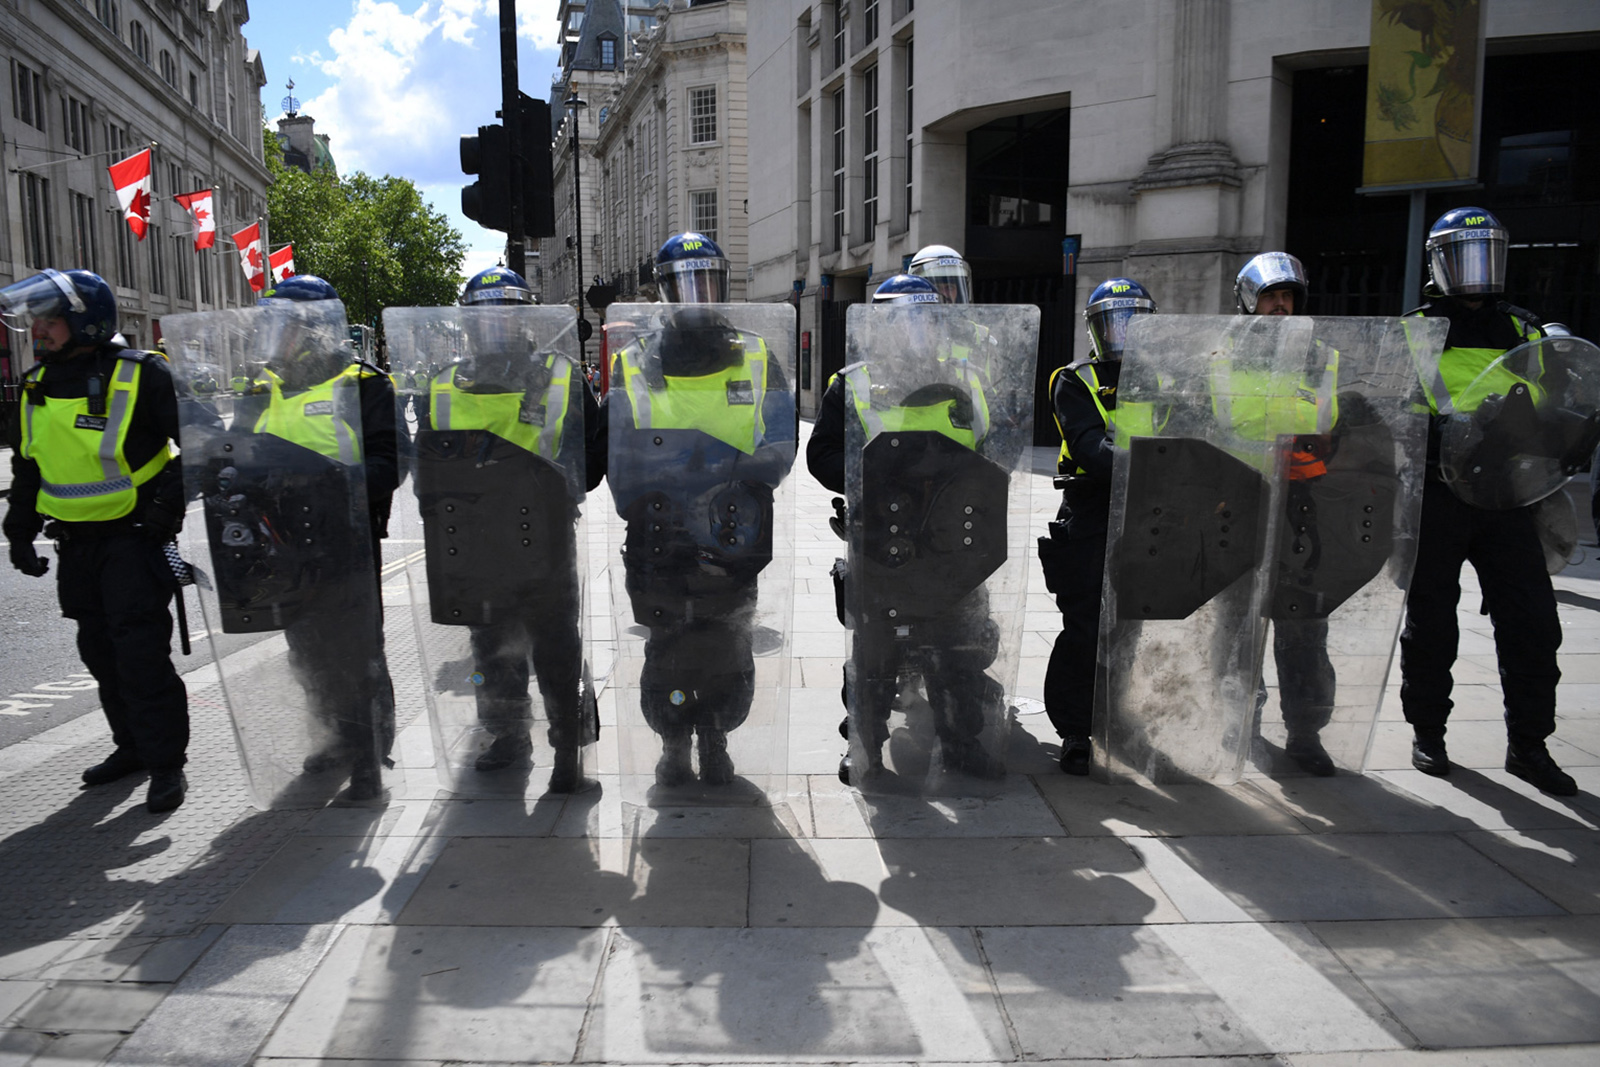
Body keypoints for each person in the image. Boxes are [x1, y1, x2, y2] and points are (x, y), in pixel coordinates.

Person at [605, 233, 796, 787]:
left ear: (724, 285)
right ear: (661, 292)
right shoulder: (633, 362)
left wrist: (722, 475)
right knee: (666, 644)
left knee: (728, 644)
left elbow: (781, 444)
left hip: (732, 531)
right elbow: (619, 455)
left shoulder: (758, 354)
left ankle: (715, 737)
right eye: (682, 284)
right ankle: (671, 742)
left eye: (706, 280)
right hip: (660, 533)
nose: (696, 295)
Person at [1400, 207, 1578, 795]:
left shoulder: (1527, 330)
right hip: (1438, 492)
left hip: (1509, 495)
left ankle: (1529, 744)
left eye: (1487, 255)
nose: (1478, 270)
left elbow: (1559, 406)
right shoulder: (1414, 331)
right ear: (1438, 265)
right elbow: (1392, 415)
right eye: (1464, 257)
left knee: (1532, 624)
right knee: (1431, 624)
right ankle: (1429, 731)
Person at [0, 269, 190, 813]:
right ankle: (130, 748)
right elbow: (29, 468)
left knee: (140, 657)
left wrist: (162, 515)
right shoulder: (36, 384)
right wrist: (18, 535)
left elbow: (199, 446)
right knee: (100, 653)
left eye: (49, 319)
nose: (38, 329)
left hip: (132, 540)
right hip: (77, 546)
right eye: (35, 319)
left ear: (85, 321)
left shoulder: (142, 374)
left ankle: (165, 766)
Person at [808, 273, 1009, 782]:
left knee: (959, 649)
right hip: (882, 534)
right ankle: (864, 746)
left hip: (952, 536)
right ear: (880, 326)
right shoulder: (851, 381)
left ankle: (962, 743)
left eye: (927, 319)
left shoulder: (969, 377)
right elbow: (822, 455)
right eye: (904, 320)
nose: (916, 331)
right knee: (875, 652)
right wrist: (877, 473)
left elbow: (997, 444)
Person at [415, 267, 604, 792]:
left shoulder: (561, 376)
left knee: (556, 646)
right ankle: (506, 736)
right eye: (485, 315)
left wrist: (552, 488)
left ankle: (568, 746)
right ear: (469, 322)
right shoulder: (443, 383)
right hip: (476, 543)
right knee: (491, 647)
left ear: (525, 317)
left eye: (507, 312)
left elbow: (591, 459)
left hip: (545, 539)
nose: (497, 325)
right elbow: (426, 467)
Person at [233, 275, 399, 799]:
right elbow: (239, 455)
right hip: (284, 545)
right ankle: (333, 739)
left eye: (280, 325)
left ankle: (369, 755)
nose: (270, 336)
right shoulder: (260, 388)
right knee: (307, 654)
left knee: (356, 653)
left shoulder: (365, 384)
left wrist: (322, 479)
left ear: (312, 330)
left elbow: (388, 464)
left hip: (345, 541)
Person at [1036, 277, 1157, 775]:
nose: (1124, 331)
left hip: (1151, 509)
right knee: (1086, 626)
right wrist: (1154, 462)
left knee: (1132, 625)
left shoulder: (1166, 376)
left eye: (1135, 321)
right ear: (1096, 329)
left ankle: (1120, 715)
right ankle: (1074, 729)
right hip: (1091, 508)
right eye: (1114, 322)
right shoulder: (1075, 378)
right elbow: (1090, 447)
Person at [1234, 252, 1339, 776]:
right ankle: (1240, 723)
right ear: (1250, 301)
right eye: (1271, 297)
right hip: (1240, 499)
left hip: (1301, 505)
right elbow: (1219, 420)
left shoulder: (1320, 357)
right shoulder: (1224, 351)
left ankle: (1305, 732)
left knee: (1303, 628)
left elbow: (1326, 429)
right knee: (1236, 625)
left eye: (1288, 297)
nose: (1280, 306)